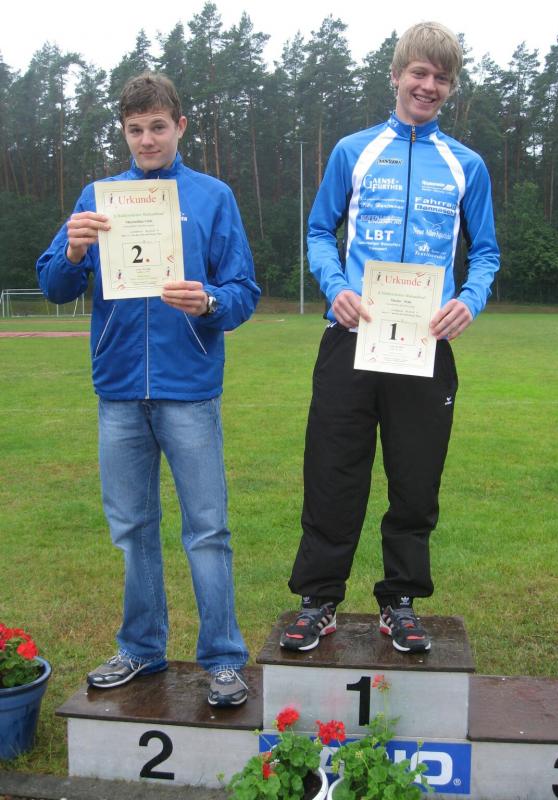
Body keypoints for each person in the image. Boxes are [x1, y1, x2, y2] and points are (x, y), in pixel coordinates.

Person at [37, 72, 260, 706]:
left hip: (189, 390)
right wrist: (73, 252)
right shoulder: (98, 197)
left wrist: (209, 302)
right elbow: (53, 284)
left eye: (158, 126)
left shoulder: (213, 197)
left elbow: (242, 291)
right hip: (118, 393)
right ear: (124, 132)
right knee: (131, 527)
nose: (147, 139)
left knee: (207, 529)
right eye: (135, 129)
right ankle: (141, 647)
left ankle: (223, 659)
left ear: (180, 127)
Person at [280, 22, 500, 654]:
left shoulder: (466, 165)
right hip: (352, 337)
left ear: (450, 88)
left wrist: (468, 301)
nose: (428, 86)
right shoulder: (353, 151)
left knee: (415, 480)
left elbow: (485, 253)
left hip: (426, 344)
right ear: (397, 75)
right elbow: (320, 231)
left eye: (441, 78)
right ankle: (318, 600)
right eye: (419, 73)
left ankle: (400, 602)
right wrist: (334, 287)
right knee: (333, 473)